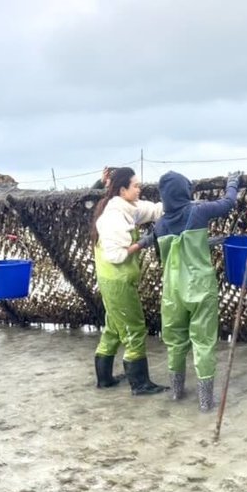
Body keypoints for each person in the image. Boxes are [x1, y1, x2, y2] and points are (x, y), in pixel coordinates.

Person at [154, 170, 241, 412]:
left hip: (172, 292)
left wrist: (209, 241)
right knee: (203, 342)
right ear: (184, 191)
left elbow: (175, 249)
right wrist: (232, 184)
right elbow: (228, 203)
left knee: (175, 341)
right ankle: (205, 403)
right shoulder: (197, 211)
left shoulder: (160, 224)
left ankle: (177, 394)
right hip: (200, 288)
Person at [91, 167, 169, 395]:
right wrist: (144, 242)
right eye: (135, 185)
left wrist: (184, 205)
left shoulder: (126, 207)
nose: (139, 188)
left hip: (112, 281)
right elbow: (115, 255)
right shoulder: (114, 216)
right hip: (117, 282)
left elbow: (154, 210)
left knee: (114, 329)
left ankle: (104, 380)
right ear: (123, 189)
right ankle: (140, 384)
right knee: (134, 328)